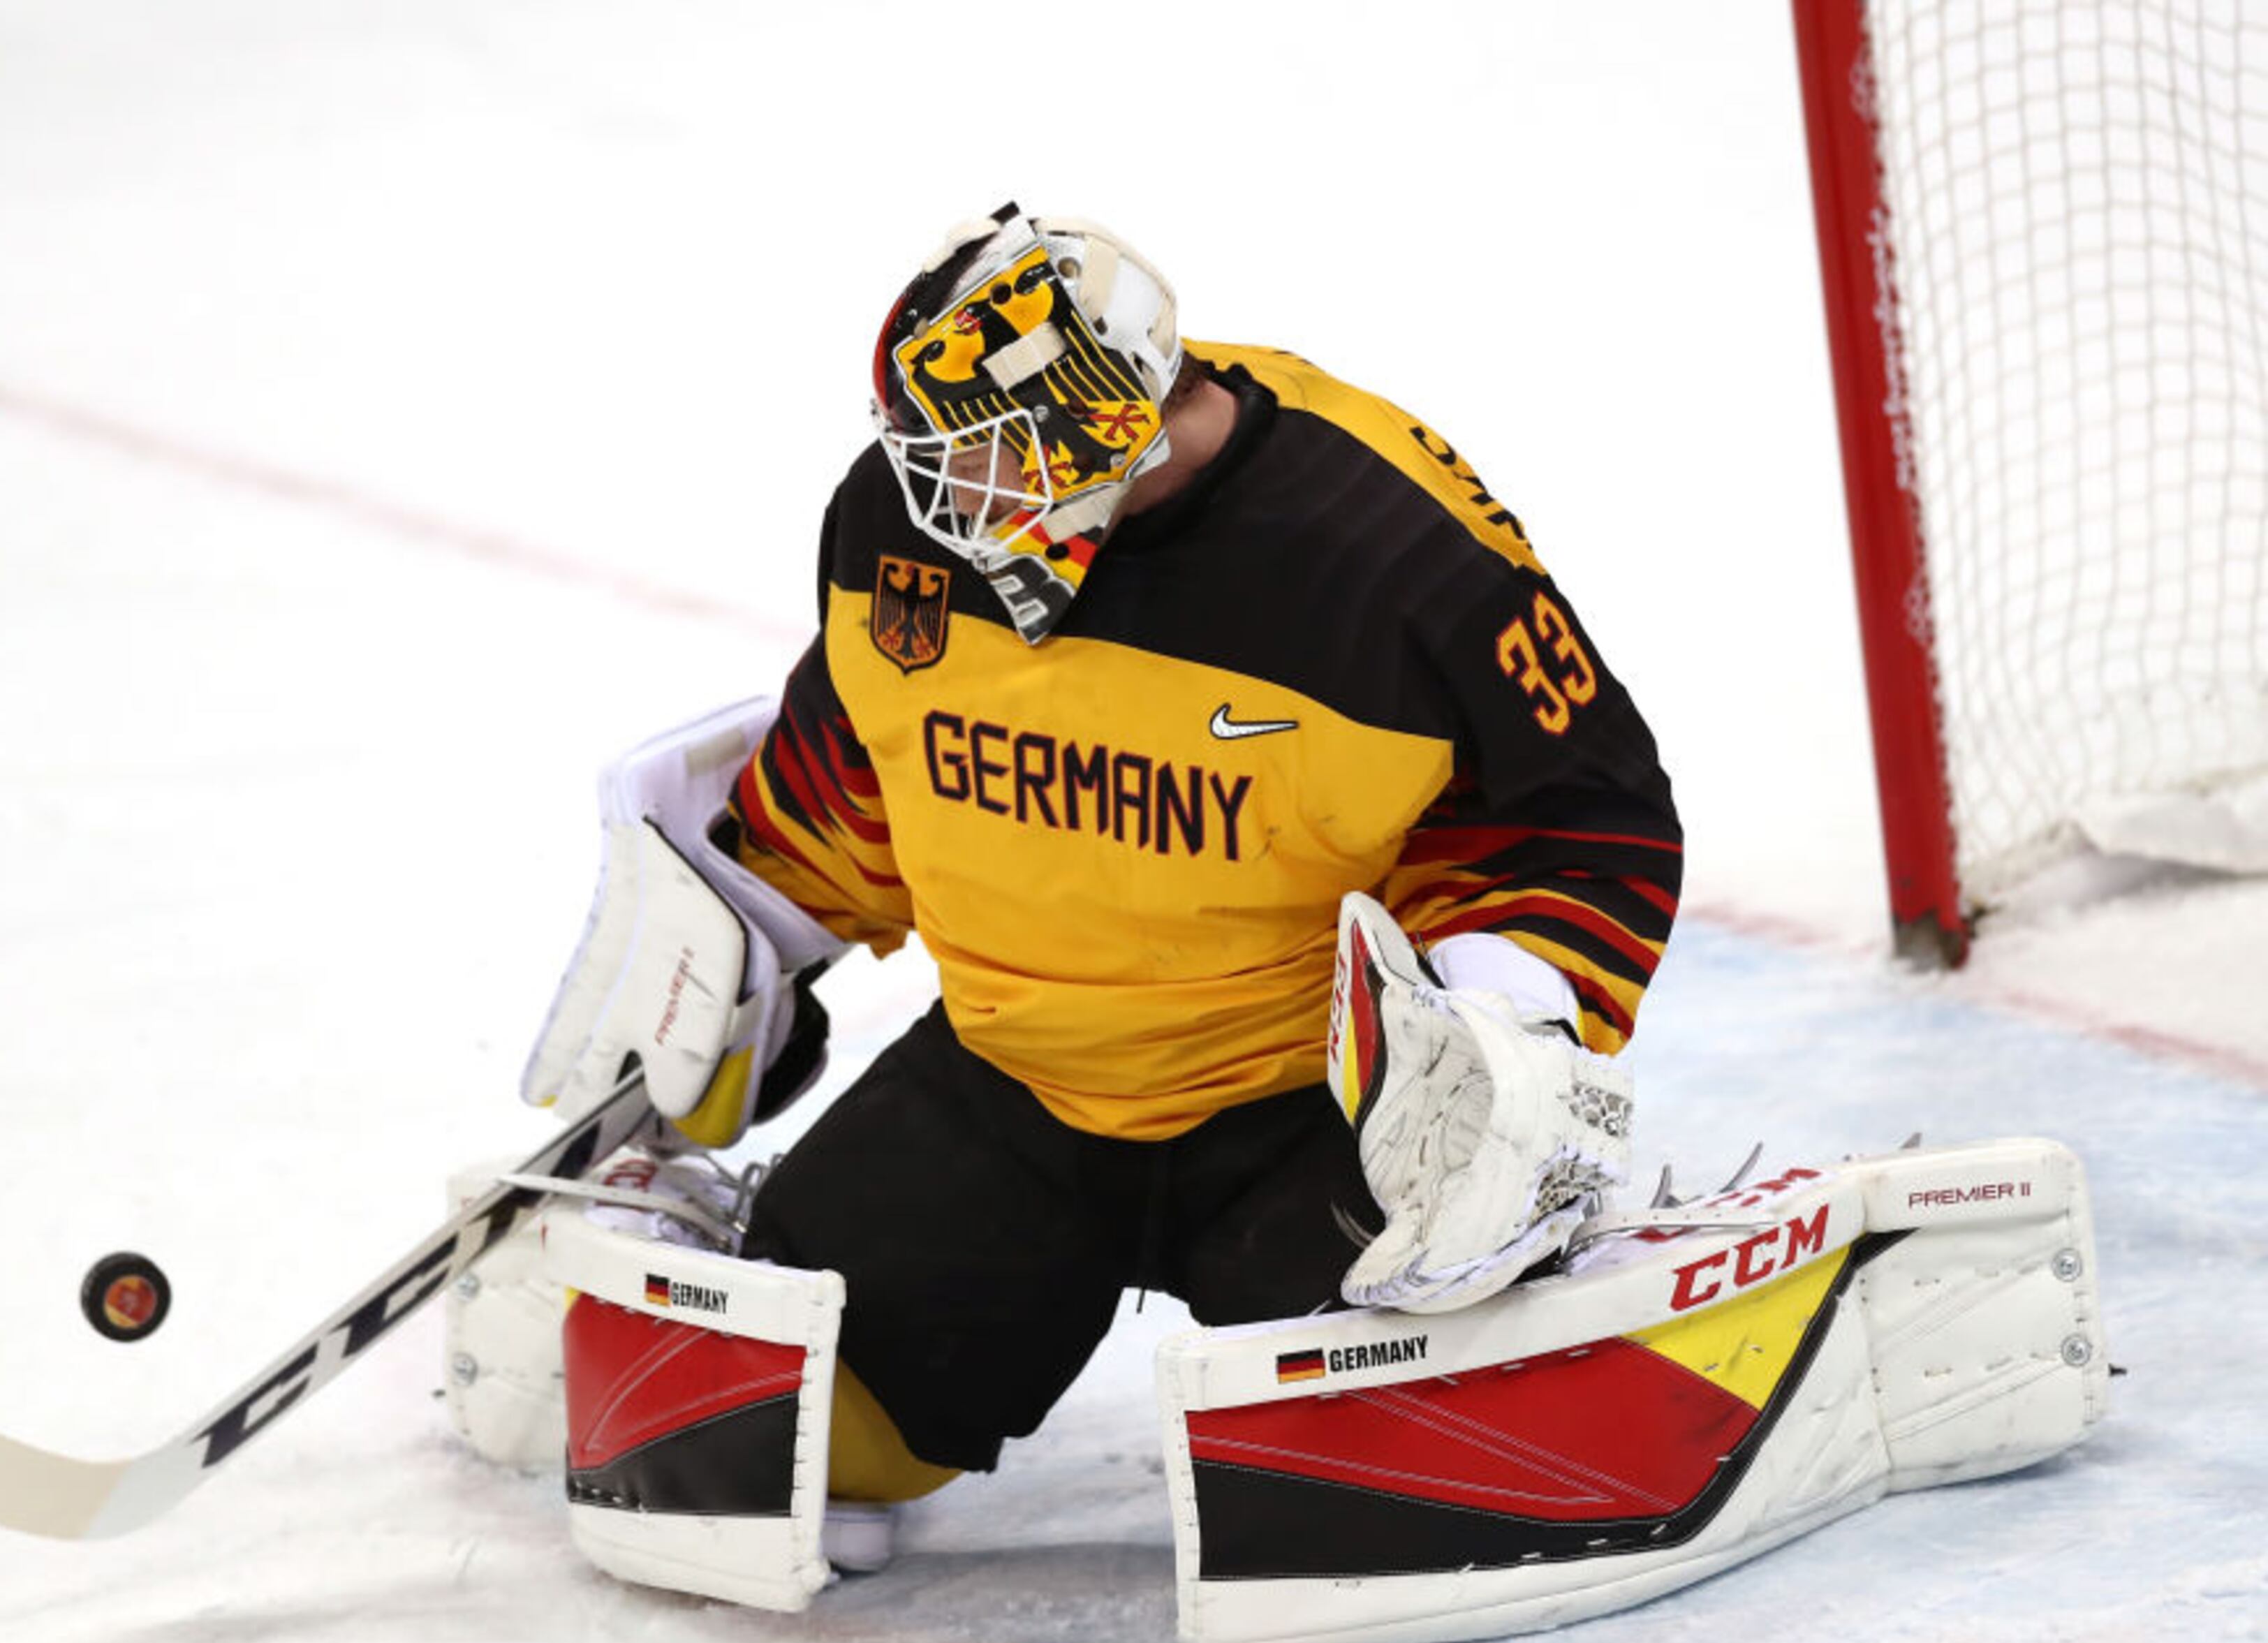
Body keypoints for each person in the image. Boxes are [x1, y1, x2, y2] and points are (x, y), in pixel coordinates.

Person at [520, 202, 1683, 1528]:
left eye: (971, 462)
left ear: (1099, 425)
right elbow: (860, 763)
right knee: (746, 1436)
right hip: (1016, 1083)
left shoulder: (1395, 555)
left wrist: (1501, 1027)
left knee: (1401, 1484)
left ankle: (1560, 1270)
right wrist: (746, 937)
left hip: (1311, 1117)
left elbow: (1582, 818)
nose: (935, 504)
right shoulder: (898, 528)